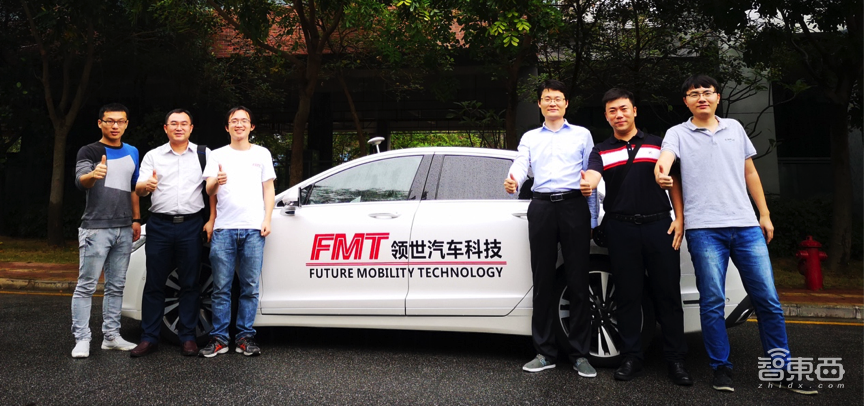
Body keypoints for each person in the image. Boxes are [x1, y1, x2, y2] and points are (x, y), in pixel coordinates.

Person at [655, 74, 816, 395]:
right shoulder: (677, 133)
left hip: (746, 226)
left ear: (718, 96)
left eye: (707, 92)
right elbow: (665, 161)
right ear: (686, 101)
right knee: (713, 301)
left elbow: (750, 172)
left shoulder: (735, 128)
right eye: (694, 94)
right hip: (704, 230)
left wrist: (764, 215)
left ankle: (782, 369)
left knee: (767, 299)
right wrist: (661, 173)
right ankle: (721, 368)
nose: (702, 97)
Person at [580, 88, 692, 385]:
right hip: (621, 228)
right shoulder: (600, 150)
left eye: (623, 109)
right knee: (627, 295)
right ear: (606, 116)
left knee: (668, 294)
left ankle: (676, 360)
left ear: (634, 111)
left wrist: (679, 218)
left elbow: (673, 180)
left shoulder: (658, 144)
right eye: (612, 111)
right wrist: (587, 183)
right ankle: (632, 357)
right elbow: (593, 175)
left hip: (659, 226)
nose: (619, 115)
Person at [504, 79, 598, 377]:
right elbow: (521, 164)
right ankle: (545, 352)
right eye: (547, 98)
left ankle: (580, 354)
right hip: (542, 207)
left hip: (574, 206)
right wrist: (514, 180)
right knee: (542, 280)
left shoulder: (582, 135)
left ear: (566, 103)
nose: (552, 103)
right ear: (540, 104)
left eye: (558, 98)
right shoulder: (531, 137)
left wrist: (592, 219)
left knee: (578, 281)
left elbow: (591, 175)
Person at [130, 109, 217, 357]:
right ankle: (149, 337)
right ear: (165, 128)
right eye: (174, 123)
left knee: (190, 282)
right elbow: (139, 189)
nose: (179, 127)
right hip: (159, 225)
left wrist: (211, 218)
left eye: (184, 124)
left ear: (191, 128)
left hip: (191, 224)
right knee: (154, 282)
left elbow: (212, 189)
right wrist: (146, 186)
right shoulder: (153, 156)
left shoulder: (203, 154)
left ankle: (187, 337)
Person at [199, 106, 276, 358]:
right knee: (221, 287)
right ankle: (219, 338)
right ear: (227, 127)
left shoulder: (262, 153)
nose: (239, 124)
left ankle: (244, 337)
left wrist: (267, 218)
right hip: (224, 229)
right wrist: (216, 181)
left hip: (254, 229)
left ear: (251, 126)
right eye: (234, 121)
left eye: (244, 120)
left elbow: (268, 189)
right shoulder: (217, 155)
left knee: (249, 286)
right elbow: (209, 191)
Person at [70, 103, 141, 358]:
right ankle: (82, 339)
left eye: (120, 121)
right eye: (109, 121)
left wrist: (136, 219)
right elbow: (81, 181)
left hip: (124, 228)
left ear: (126, 124)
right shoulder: (89, 151)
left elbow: (134, 188)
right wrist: (93, 174)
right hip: (96, 228)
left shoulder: (133, 151)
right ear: (100, 123)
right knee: (86, 286)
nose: (115, 126)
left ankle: (111, 336)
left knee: (116, 286)